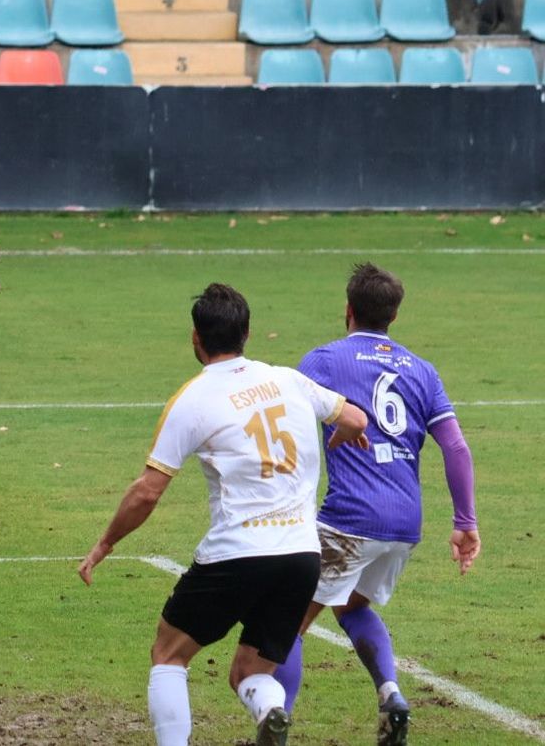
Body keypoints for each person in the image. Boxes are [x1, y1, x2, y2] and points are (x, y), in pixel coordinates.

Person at [78, 284, 370, 746]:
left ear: (196, 338)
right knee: (249, 673)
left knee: (169, 654)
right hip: (300, 555)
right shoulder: (290, 380)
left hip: (237, 553)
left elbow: (147, 492)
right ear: (248, 333)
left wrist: (105, 543)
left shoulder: (192, 400)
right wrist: (336, 438)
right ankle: (272, 708)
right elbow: (354, 418)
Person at [272, 264, 479, 746]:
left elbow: (292, 431)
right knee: (349, 605)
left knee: (287, 621)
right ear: (395, 315)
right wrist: (465, 521)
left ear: (347, 310)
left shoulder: (323, 360)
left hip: (350, 517)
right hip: (405, 523)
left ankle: (274, 723)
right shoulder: (423, 370)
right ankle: (390, 695)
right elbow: (456, 448)